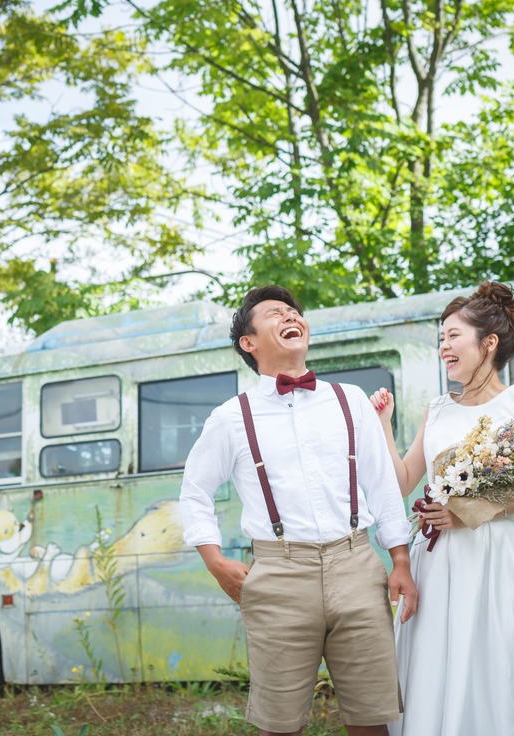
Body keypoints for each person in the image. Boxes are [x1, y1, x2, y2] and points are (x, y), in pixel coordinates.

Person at [180, 285, 419, 736]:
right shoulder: (232, 417)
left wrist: (400, 560)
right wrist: (214, 561)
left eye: (294, 311)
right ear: (248, 343)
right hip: (278, 575)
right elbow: (194, 492)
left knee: (373, 717)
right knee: (279, 723)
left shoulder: (350, 400)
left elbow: (382, 485)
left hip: (357, 566)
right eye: (275, 313)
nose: (291, 315)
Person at [370, 281, 514, 736]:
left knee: (498, 660)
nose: (443, 346)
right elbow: (406, 480)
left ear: (488, 343)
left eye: (452, 336)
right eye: (440, 338)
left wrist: (469, 511)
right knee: (438, 662)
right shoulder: (438, 408)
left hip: (494, 554)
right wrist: (382, 428)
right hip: (438, 558)